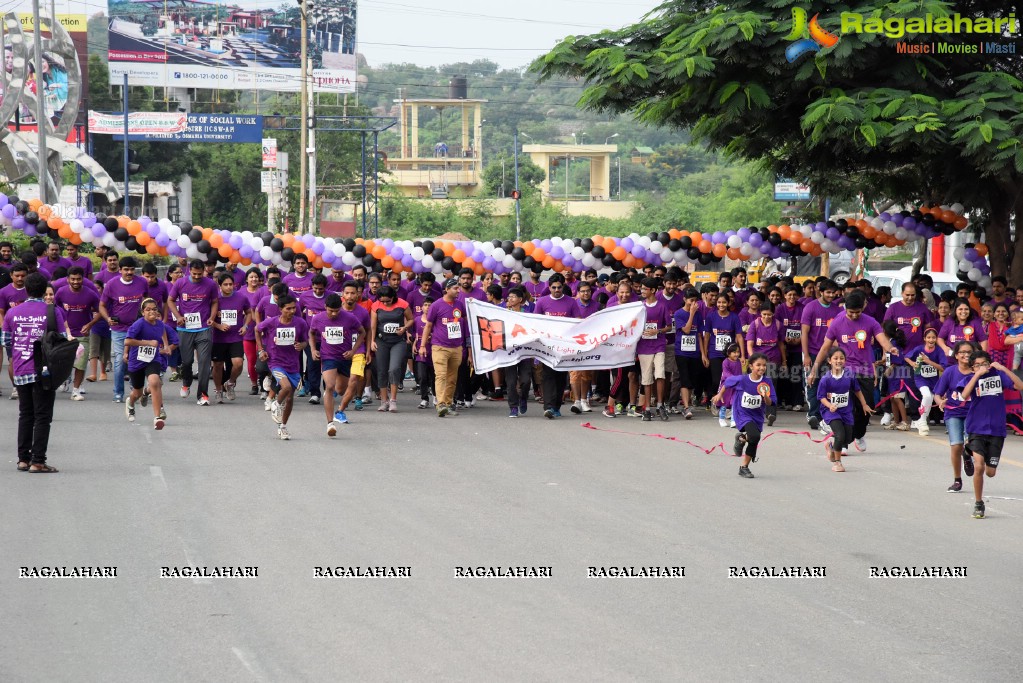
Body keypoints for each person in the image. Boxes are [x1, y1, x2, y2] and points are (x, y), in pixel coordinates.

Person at [810, 290, 900, 452]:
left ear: (862, 309)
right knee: (847, 408)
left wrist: (890, 348)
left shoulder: (870, 322)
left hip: (865, 370)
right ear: (845, 308)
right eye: (850, 312)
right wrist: (814, 369)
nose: (854, 315)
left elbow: (881, 339)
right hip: (845, 370)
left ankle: (858, 434)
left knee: (867, 407)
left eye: (857, 312)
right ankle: (842, 443)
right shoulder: (837, 323)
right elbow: (825, 347)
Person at [2, 273, 67, 472]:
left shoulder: (13, 313)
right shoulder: (52, 311)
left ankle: (23, 459)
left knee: (25, 414)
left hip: (21, 369)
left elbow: (6, 340)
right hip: (44, 371)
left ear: (26, 289)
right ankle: (38, 461)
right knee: (42, 416)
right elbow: (61, 339)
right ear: (43, 291)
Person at [957, 350, 1023, 519]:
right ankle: (979, 503)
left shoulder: (998, 376)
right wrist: (976, 374)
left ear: (990, 363)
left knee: (990, 472)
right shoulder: (970, 379)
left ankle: (967, 450)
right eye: (977, 365)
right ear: (972, 368)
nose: (981, 367)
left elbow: (1019, 386)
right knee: (979, 466)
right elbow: (964, 395)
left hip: (996, 429)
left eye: (984, 363)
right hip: (976, 428)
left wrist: (1003, 368)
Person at [308, 293, 366, 435]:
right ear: (325, 307)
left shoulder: (350, 318)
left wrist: (353, 351)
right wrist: (313, 349)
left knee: (341, 390)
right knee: (329, 386)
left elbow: (362, 333)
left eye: (337, 311)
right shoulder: (317, 318)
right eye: (330, 310)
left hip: (344, 357)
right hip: (328, 357)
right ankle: (330, 423)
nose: (334, 314)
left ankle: (337, 404)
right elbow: (311, 333)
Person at [712, 352, 776, 479]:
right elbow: (727, 382)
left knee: (754, 438)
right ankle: (744, 468)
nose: (762, 368)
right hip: (742, 412)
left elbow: (771, 402)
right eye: (758, 365)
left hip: (757, 415)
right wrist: (720, 395)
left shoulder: (767, 382)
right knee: (755, 435)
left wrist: (765, 397)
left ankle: (741, 439)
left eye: (764, 365)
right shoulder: (742, 379)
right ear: (751, 366)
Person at [167, 259, 219, 405]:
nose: (197, 276)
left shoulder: (210, 284)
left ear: (204, 271)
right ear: (189, 270)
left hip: (204, 328)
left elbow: (215, 301)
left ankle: (203, 394)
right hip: (185, 329)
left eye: (200, 274)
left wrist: (212, 317)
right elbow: (170, 300)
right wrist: (178, 316)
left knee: (203, 363)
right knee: (187, 361)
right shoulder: (180, 283)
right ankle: (186, 381)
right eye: (194, 274)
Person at [256, 294, 308, 440]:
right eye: (288, 308)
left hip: (293, 364)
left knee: (290, 397)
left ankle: (282, 426)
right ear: (280, 309)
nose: (291, 311)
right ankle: (275, 404)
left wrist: (301, 345)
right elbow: (257, 330)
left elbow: (305, 341)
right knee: (285, 388)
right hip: (276, 363)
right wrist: (261, 350)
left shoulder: (300, 323)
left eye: (293, 308)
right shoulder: (272, 322)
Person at [98, 257, 149, 403]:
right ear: (120, 270)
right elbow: (102, 305)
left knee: (138, 360)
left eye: (132, 269)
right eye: (126, 269)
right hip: (119, 329)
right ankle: (118, 393)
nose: (129, 272)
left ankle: (137, 389)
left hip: (138, 329)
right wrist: (108, 318)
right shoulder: (111, 285)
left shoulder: (142, 282)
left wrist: (148, 318)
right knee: (121, 361)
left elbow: (147, 301)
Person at [533, 273, 582, 419]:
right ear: (549, 287)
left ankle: (556, 406)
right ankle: (548, 407)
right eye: (553, 287)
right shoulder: (541, 302)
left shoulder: (571, 302)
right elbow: (535, 321)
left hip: (564, 347)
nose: (556, 290)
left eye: (559, 287)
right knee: (547, 376)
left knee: (560, 378)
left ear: (563, 286)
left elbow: (578, 321)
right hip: (547, 346)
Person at [124, 298, 178, 429]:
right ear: (143, 312)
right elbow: (127, 341)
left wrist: (165, 345)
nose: (152, 312)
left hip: (153, 359)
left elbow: (163, 331)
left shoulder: (159, 324)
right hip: (137, 361)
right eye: (148, 310)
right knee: (137, 392)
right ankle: (130, 403)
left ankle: (157, 417)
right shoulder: (139, 324)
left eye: (154, 309)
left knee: (155, 382)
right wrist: (147, 343)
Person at [818, 348, 874, 472]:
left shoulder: (849, 375)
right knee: (840, 435)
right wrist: (829, 405)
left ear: (845, 360)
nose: (839, 361)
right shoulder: (825, 379)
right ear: (829, 361)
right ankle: (837, 463)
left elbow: (857, 390)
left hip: (846, 411)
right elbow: (821, 397)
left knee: (848, 438)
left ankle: (831, 446)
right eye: (835, 358)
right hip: (831, 412)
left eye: (841, 358)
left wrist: (864, 404)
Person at [420, 278, 466, 417]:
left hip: (457, 347)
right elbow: (428, 325)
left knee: (452, 378)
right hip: (439, 346)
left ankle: (448, 403)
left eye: (458, 288)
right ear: (447, 289)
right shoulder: (436, 305)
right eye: (455, 288)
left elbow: (464, 320)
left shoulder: (459, 304)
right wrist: (422, 345)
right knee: (440, 375)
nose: (458, 291)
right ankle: (440, 404)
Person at [934, 340, 976, 493]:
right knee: (956, 445)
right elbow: (937, 394)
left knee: (970, 445)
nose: (966, 355)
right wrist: (940, 402)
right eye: (962, 352)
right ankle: (957, 480)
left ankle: (967, 455)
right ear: (956, 355)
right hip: (953, 412)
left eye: (969, 352)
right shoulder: (950, 372)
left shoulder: (977, 372)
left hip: (973, 413)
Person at [54, 266, 100, 401]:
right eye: (73, 279)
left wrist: (90, 324)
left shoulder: (91, 294)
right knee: (64, 363)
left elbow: (100, 311)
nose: (75, 282)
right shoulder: (61, 292)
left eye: (78, 279)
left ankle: (75, 390)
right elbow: (54, 310)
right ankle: (64, 379)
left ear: (83, 279)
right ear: (68, 279)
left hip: (82, 335)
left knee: (80, 363)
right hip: (64, 335)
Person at [800, 279, 840, 432]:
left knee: (828, 384)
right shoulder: (810, 308)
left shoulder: (837, 310)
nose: (831, 295)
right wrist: (806, 355)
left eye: (833, 293)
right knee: (812, 383)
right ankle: (813, 415)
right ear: (821, 292)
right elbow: (804, 332)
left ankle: (826, 416)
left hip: (830, 355)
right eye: (828, 292)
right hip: (812, 352)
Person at [370, 285, 413, 412]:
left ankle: (393, 400)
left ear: (393, 297)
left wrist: (404, 328)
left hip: (398, 342)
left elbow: (411, 319)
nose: (384, 303)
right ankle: (384, 401)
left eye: (387, 301)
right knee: (382, 370)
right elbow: (373, 325)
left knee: (394, 369)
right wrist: (372, 341)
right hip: (381, 341)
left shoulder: (403, 304)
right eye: (382, 301)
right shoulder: (376, 305)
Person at [211, 272, 251, 403]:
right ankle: (218, 390)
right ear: (220, 285)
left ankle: (230, 383)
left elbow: (249, 312)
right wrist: (218, 325)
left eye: (231, 284)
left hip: (236, 337)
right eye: (226, 285)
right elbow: (208, 318)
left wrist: (245, 326)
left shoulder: (241, 297)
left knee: (238, 363)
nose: (229, 287)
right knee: (217, 365)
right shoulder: (214, 299)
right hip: (218, 339)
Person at [637, 277, 671, 421]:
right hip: (644, 347)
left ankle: (660, 405)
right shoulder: (639, 307)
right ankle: (647, 408)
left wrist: (657, 331)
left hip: (659, 345)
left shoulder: (662, 306)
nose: (642, 291)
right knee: (646, 378)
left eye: (645, 289)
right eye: (642, 288)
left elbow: (669, 326)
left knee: (660, 374)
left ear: (653, 290)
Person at [745, 303, 785, 426]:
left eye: (769, 314)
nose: (767, 317)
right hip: (757, 362)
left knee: (771, 386)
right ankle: (751, 413)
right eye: (764, 314)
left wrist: (784, 361)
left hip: (773, 361)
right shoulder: (754, 325)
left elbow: (781, 344)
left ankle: (770, 414)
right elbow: (749, 345)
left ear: (773, 314)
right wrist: (753, 361)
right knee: (753, 387)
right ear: (760, 314)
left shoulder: (778, 325)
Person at [904, 327, 945, 436]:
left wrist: (928, 361)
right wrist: (912, 364)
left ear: (936, 339)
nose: (931, 340)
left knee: (930, 398)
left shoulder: (939, 351)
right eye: (929, 337)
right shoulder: (919, 349)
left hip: (933, 380)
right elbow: (906, 357)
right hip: (920, 378)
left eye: (933, 338)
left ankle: (922, 421)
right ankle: (922, 421)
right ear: (924, 339)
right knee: (926, 396)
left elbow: (942, 368)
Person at [673, 288, 706, 420]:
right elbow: (686, 330)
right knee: (684, 378)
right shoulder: (679, 314)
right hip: (681, 351)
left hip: (695, 352)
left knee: (692, 379)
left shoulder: (698, 314)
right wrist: (691, 314)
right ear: (685, 300)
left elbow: (699, 335)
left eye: (695, 301)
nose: (694, 304)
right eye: (691, 301)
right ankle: (686, 407)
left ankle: (688, 402)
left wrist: (703, 354)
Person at [714, 343, 743, 427]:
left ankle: (733, 420)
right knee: (724, 403)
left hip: (736, 385)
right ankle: (721, 418)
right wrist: (734, 378)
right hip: (727, 385)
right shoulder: (725, 362)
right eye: (734, 352)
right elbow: (726, 373)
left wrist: (740, 380)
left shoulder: (738, 362)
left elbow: (740, 373)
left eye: (738, 352)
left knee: (735, 402)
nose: (736, 354)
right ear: (728, 353)